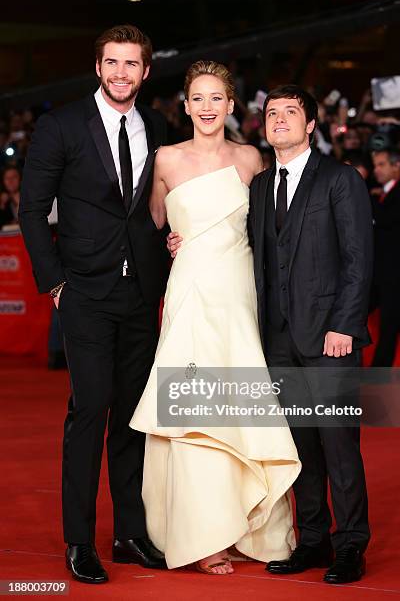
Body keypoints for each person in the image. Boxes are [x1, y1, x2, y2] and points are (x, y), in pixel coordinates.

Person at [169, 83, 374, 585]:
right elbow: (241, 247)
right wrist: (182, 240)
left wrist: (344, 326)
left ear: (310, 126)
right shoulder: (259, 186)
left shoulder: (339, 179)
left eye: (291, 112)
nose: (279, 118)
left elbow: (358, 260)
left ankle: (349, 545)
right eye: (273, 112)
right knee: (300, 445)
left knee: (339, 445)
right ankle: (312, 539)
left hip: (329, 338)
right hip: (277, 339)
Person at [130, 61, 301, 575]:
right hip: (189, 296)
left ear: (231, 105)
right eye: (197, 98)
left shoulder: (252, 158)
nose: (207, 107)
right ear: (185, 106)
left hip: (238, 297)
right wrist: (169, 242)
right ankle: (203, 534)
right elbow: (151, 227)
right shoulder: (164, 159)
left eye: (216, 98)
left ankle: (247, 524)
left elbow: (273, 226)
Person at [19, 24, 169, 584]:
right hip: (84, 292)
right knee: (90, 412)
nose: (122, 73)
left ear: (145, 71)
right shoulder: (61, 126)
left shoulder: (157, 127)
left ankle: (129, 533)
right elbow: (33, 211)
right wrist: (56, 283)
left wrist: (171, 238)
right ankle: (79, 541)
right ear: (98, 67)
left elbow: (161, 199)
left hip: (140, 293)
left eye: (132, 64)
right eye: (113, 63)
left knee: (133, 419)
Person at [370, 149, 400, 366]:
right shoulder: (385, 192)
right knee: (399, 319)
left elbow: (387, 219)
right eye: (375, 165)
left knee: (390, 321)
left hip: (397, 270)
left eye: (382, 164)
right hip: (387, 270)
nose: (377, 170)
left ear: (396, 166)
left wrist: (371, 200)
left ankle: (379, 370)